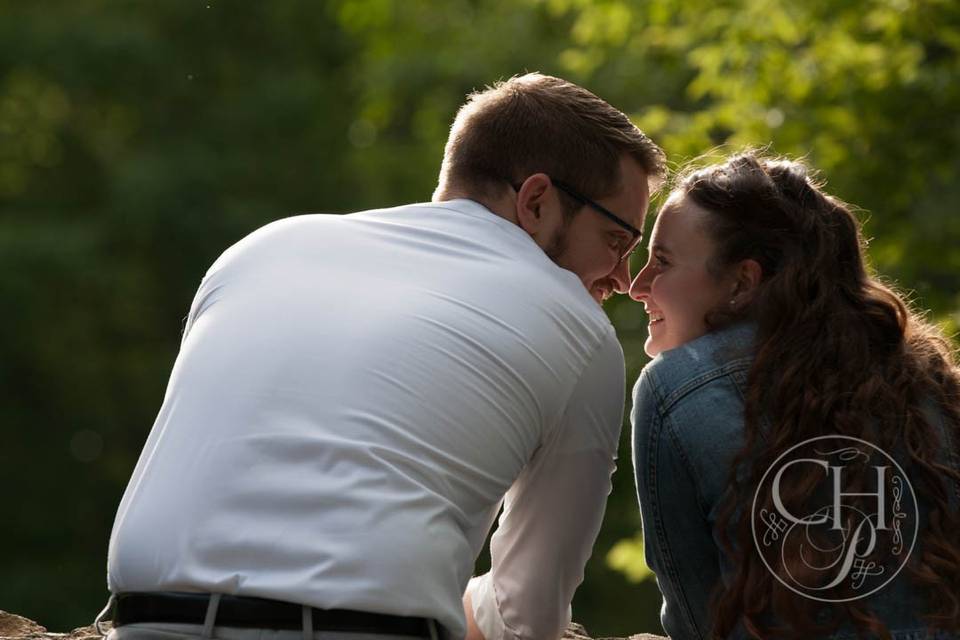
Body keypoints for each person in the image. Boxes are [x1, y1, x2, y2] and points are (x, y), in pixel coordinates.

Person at [98, 72, 666, 640]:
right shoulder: (578, 326)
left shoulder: (264, 247)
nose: (622, 278)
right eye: (617, 241)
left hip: (149, 619)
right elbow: (528, 611)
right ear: (537, 201)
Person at [628, 152, 960, 639]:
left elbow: (696, 616)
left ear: (742, 281)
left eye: (663, 262)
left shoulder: (674, 388)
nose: (637, 286)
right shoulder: (927, 377)